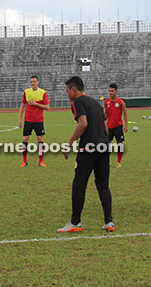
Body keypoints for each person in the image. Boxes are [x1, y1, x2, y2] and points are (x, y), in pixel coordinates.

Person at [59, 76, 114, 233]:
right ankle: (109, 222)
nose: (67, 94)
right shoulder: (96, 103)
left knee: (79, 184)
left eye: (67, 90)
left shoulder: (77, 102)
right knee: (103, 185)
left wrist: (69, 143)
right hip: (104, 146)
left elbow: (83, 123)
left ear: (74, 89)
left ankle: (75, 223)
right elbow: (106, 128)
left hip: (88, 149)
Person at [18, 75, 50, 167]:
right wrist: (20, 118)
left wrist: (35, 104)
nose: (32, 83)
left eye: (34, 81)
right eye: (31, 82)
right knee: (25, 139)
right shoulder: (26, 92)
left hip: (39, 120)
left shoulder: (42, 93)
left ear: (38, 82)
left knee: (40, 139)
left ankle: (41, 161)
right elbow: (22, 105)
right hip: (28, 120)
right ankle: (24, 161)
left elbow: (47, 107)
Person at [104, 83, 128, 168]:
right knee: (107, 145)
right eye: (109, 91)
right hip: (109, 127)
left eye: (112, 91)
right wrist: (103, 122)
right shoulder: (106, 102)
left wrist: (126, 126)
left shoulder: (121, 102)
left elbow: (125, 113)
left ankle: (118, 161)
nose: (110, 93)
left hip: (118, 127)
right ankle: (107, 161)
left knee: (119, 144)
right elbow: (106, 115)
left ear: (116, 91)